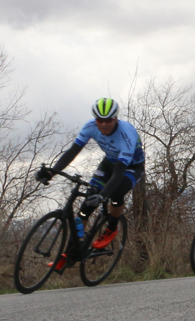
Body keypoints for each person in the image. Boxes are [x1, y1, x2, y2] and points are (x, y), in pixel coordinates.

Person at [36, 97, 144, 255]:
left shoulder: (126, 135)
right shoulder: (90, 127)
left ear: (116, 118)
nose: (104, 124)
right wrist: (52, 172)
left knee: (116, 191)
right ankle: (72, 251)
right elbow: (73, 151)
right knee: (87, 203)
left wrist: (102, 197)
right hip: (109, 162)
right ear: (95, 119)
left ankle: (112, 226)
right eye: (100, 120)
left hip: (131, 166)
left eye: (108, 120)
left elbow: (118, 173)